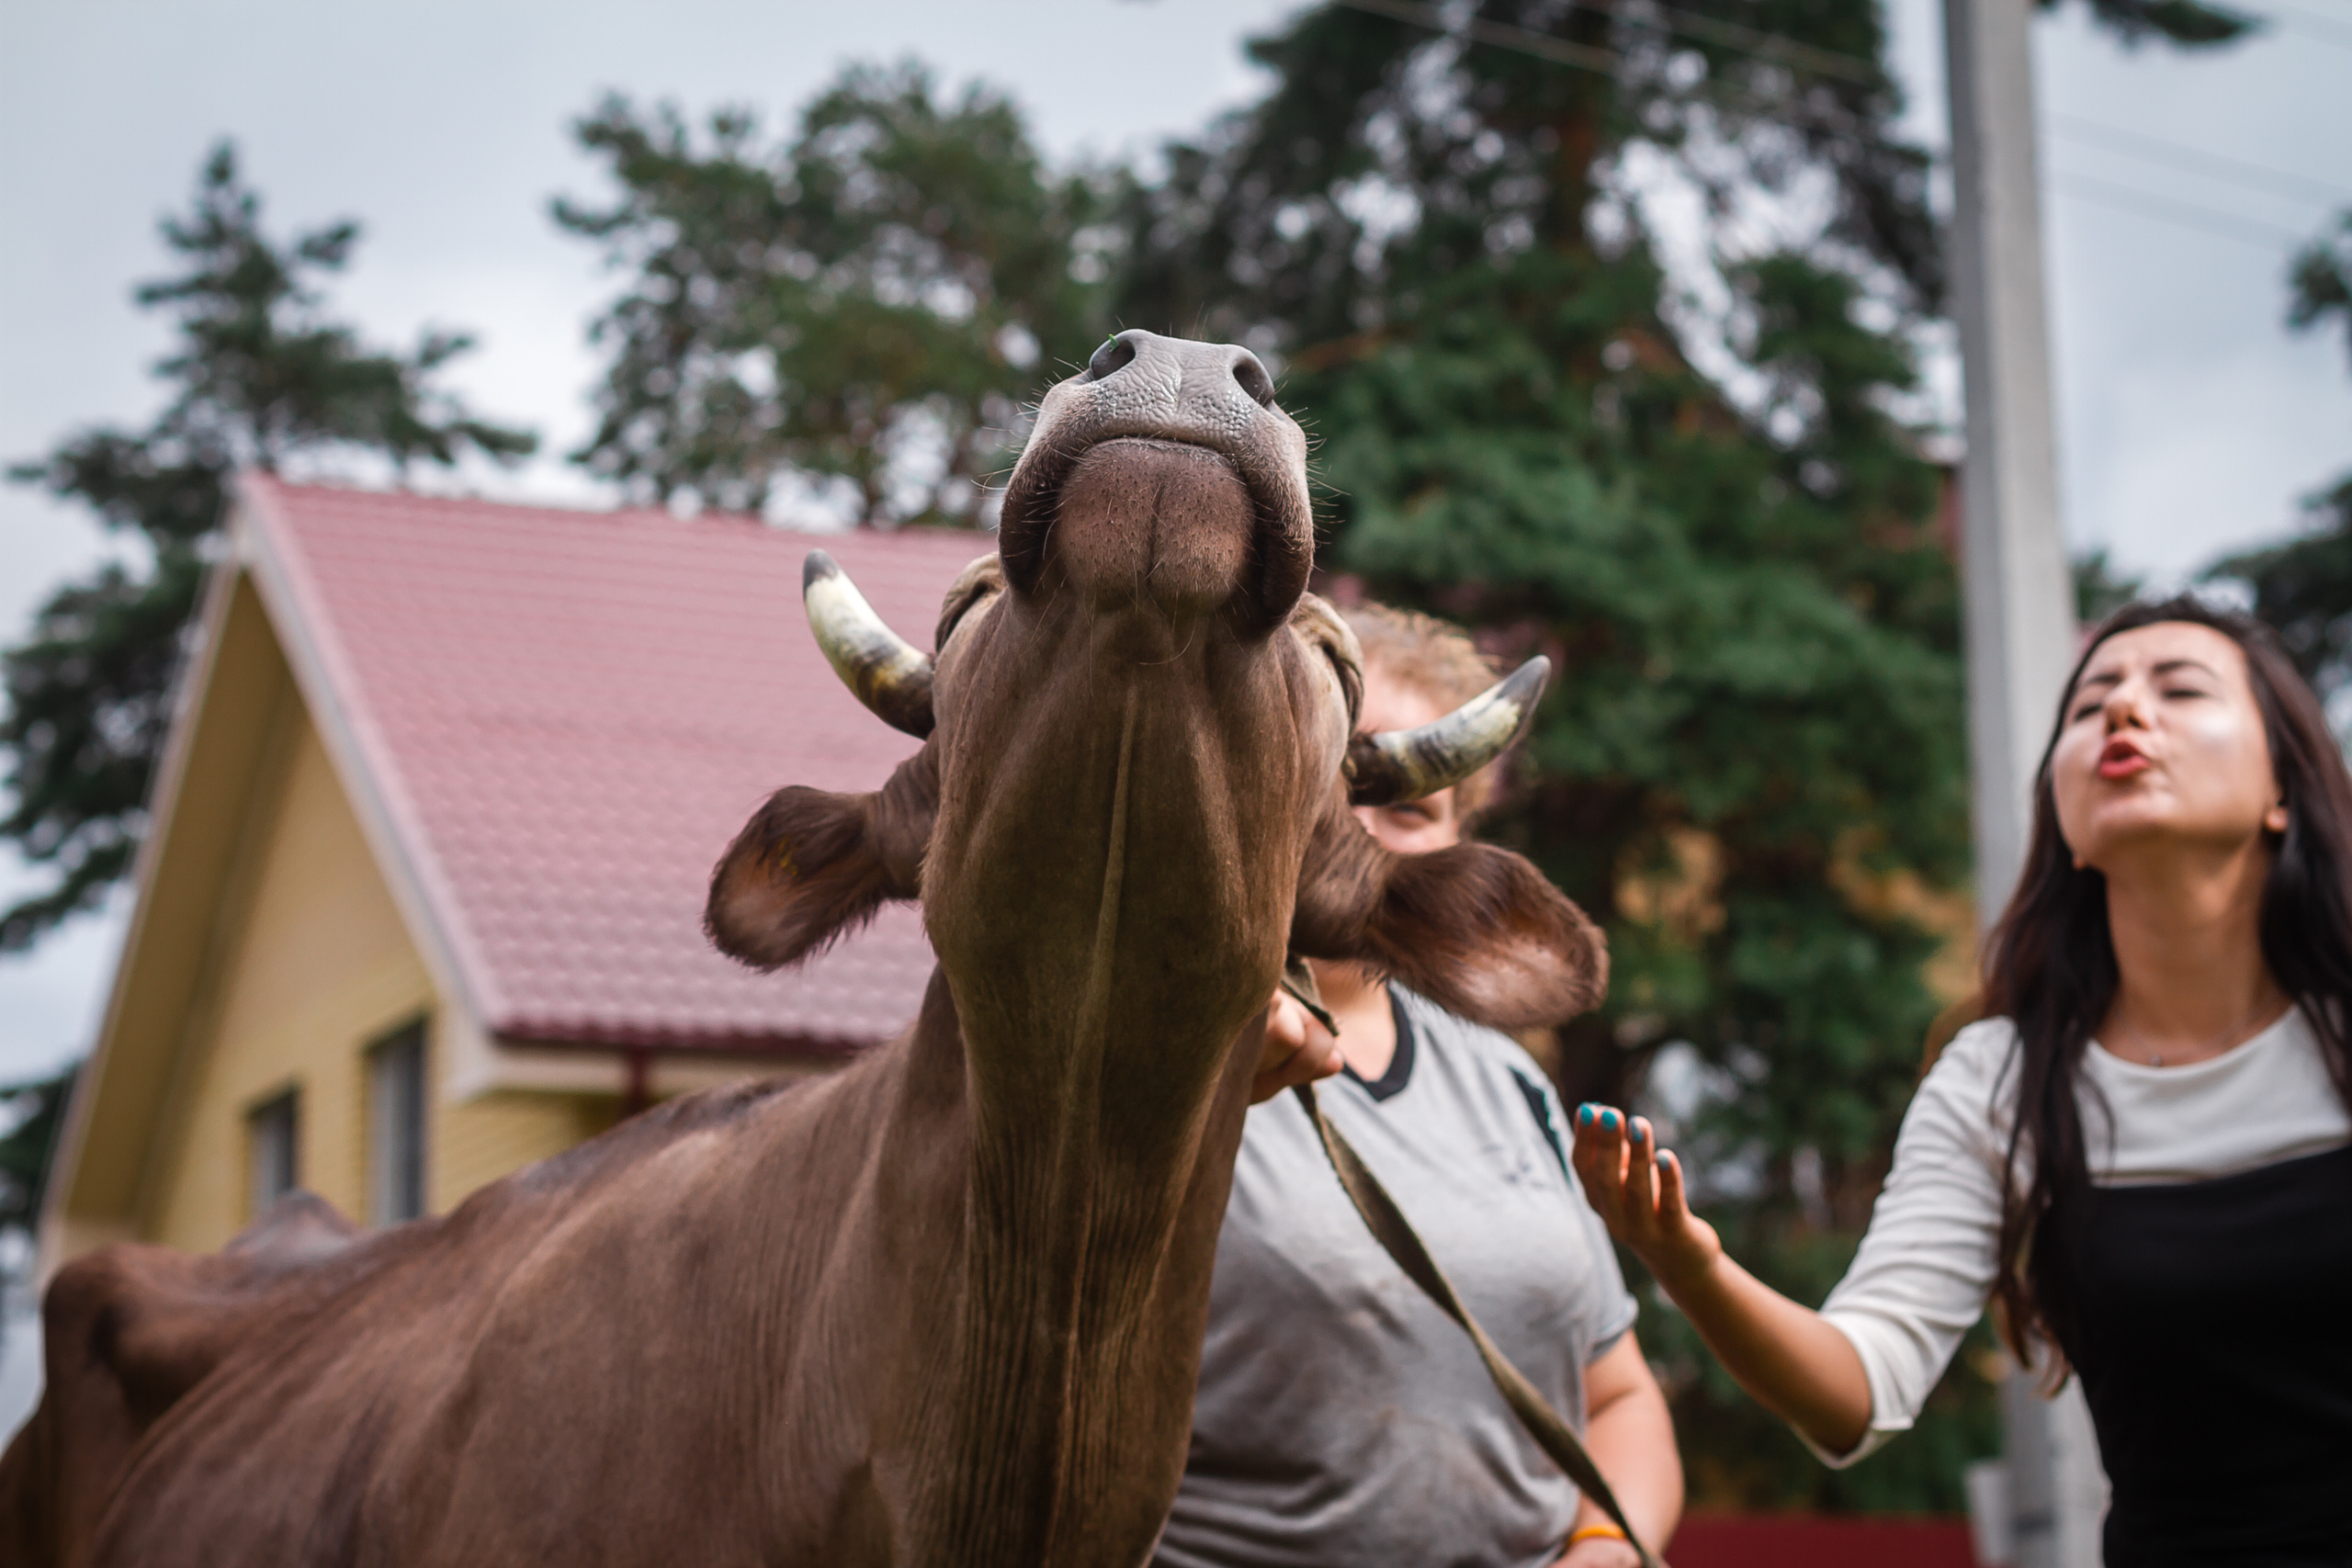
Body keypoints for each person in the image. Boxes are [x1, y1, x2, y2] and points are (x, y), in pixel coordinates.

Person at [1571, 598, 2352, 1566]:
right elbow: (1858, 1390)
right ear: (2064, 817)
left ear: (2283, 790)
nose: (2122, 713)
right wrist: (1691, 1267)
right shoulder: (2002, 1077)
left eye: (2179, 689)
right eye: (2089, 702)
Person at [1157, 604, 1684, 1568]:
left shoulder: (1506, 1076)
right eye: (1331, 773)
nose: (1349, 824)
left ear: (1456, 855)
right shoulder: (1147, 1048)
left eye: (1407, 800)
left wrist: (1607, 1547)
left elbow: (1620, 1398)